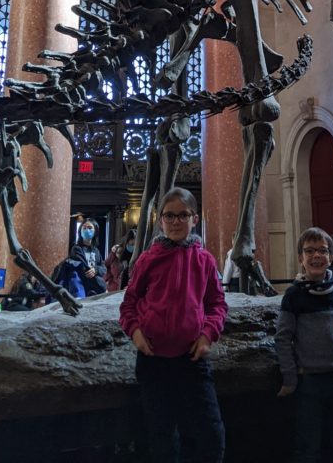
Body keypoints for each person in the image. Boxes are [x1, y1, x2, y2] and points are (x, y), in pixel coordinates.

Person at [119, 187, 227, 463]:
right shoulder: (147, 260)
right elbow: (129, 303)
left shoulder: (205, 260)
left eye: (183, 215)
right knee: (160, 438)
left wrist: (207, 334)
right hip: (153, 361)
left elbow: (217, 304)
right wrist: (136, 333)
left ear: (195, 218)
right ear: (160, 220)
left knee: (210, 434)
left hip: (192, 360)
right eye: (170, 216)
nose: (176, 221)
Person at [276, 226, 333, 463]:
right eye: (310, 251)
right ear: (300, 258)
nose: (316, 256)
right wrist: (290, 378)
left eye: (322, 251)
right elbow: (283, 337)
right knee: (307, 445)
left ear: (331, 257)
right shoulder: (293, 295)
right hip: (310, 381)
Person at [70, 218, 107, 296]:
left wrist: (96, 269)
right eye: (84, 228)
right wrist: (102, 284)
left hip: (95, 290)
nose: (87, 230)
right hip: (82, 289)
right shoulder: (76, 248)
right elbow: (85, 270)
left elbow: (103, 268)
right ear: (80, 231)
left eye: (90, 228)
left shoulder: (96, 250)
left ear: (95, 231)